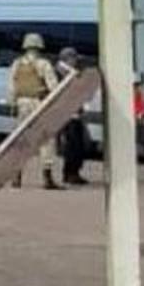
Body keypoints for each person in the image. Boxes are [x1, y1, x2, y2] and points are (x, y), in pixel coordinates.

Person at [6, 31, 60, 190]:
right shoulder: (43, 64)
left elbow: (11, 87)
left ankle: (16, 176)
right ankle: (47, 176)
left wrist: (12, 105)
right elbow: (54, 87)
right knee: (45, 139)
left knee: (22, 140)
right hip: (39, 103)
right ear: (39, 46)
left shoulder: (16, 64)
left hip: (21, 103)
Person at [54, 46, 92, 186]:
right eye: (74, 59)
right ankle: (69, 173)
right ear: (67, 59)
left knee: (80, 145)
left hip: (76, 113)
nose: (76, 62)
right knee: (72, 145)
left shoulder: (72, 73)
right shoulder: (58, 73)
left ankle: (75, 172)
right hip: (66, 114)